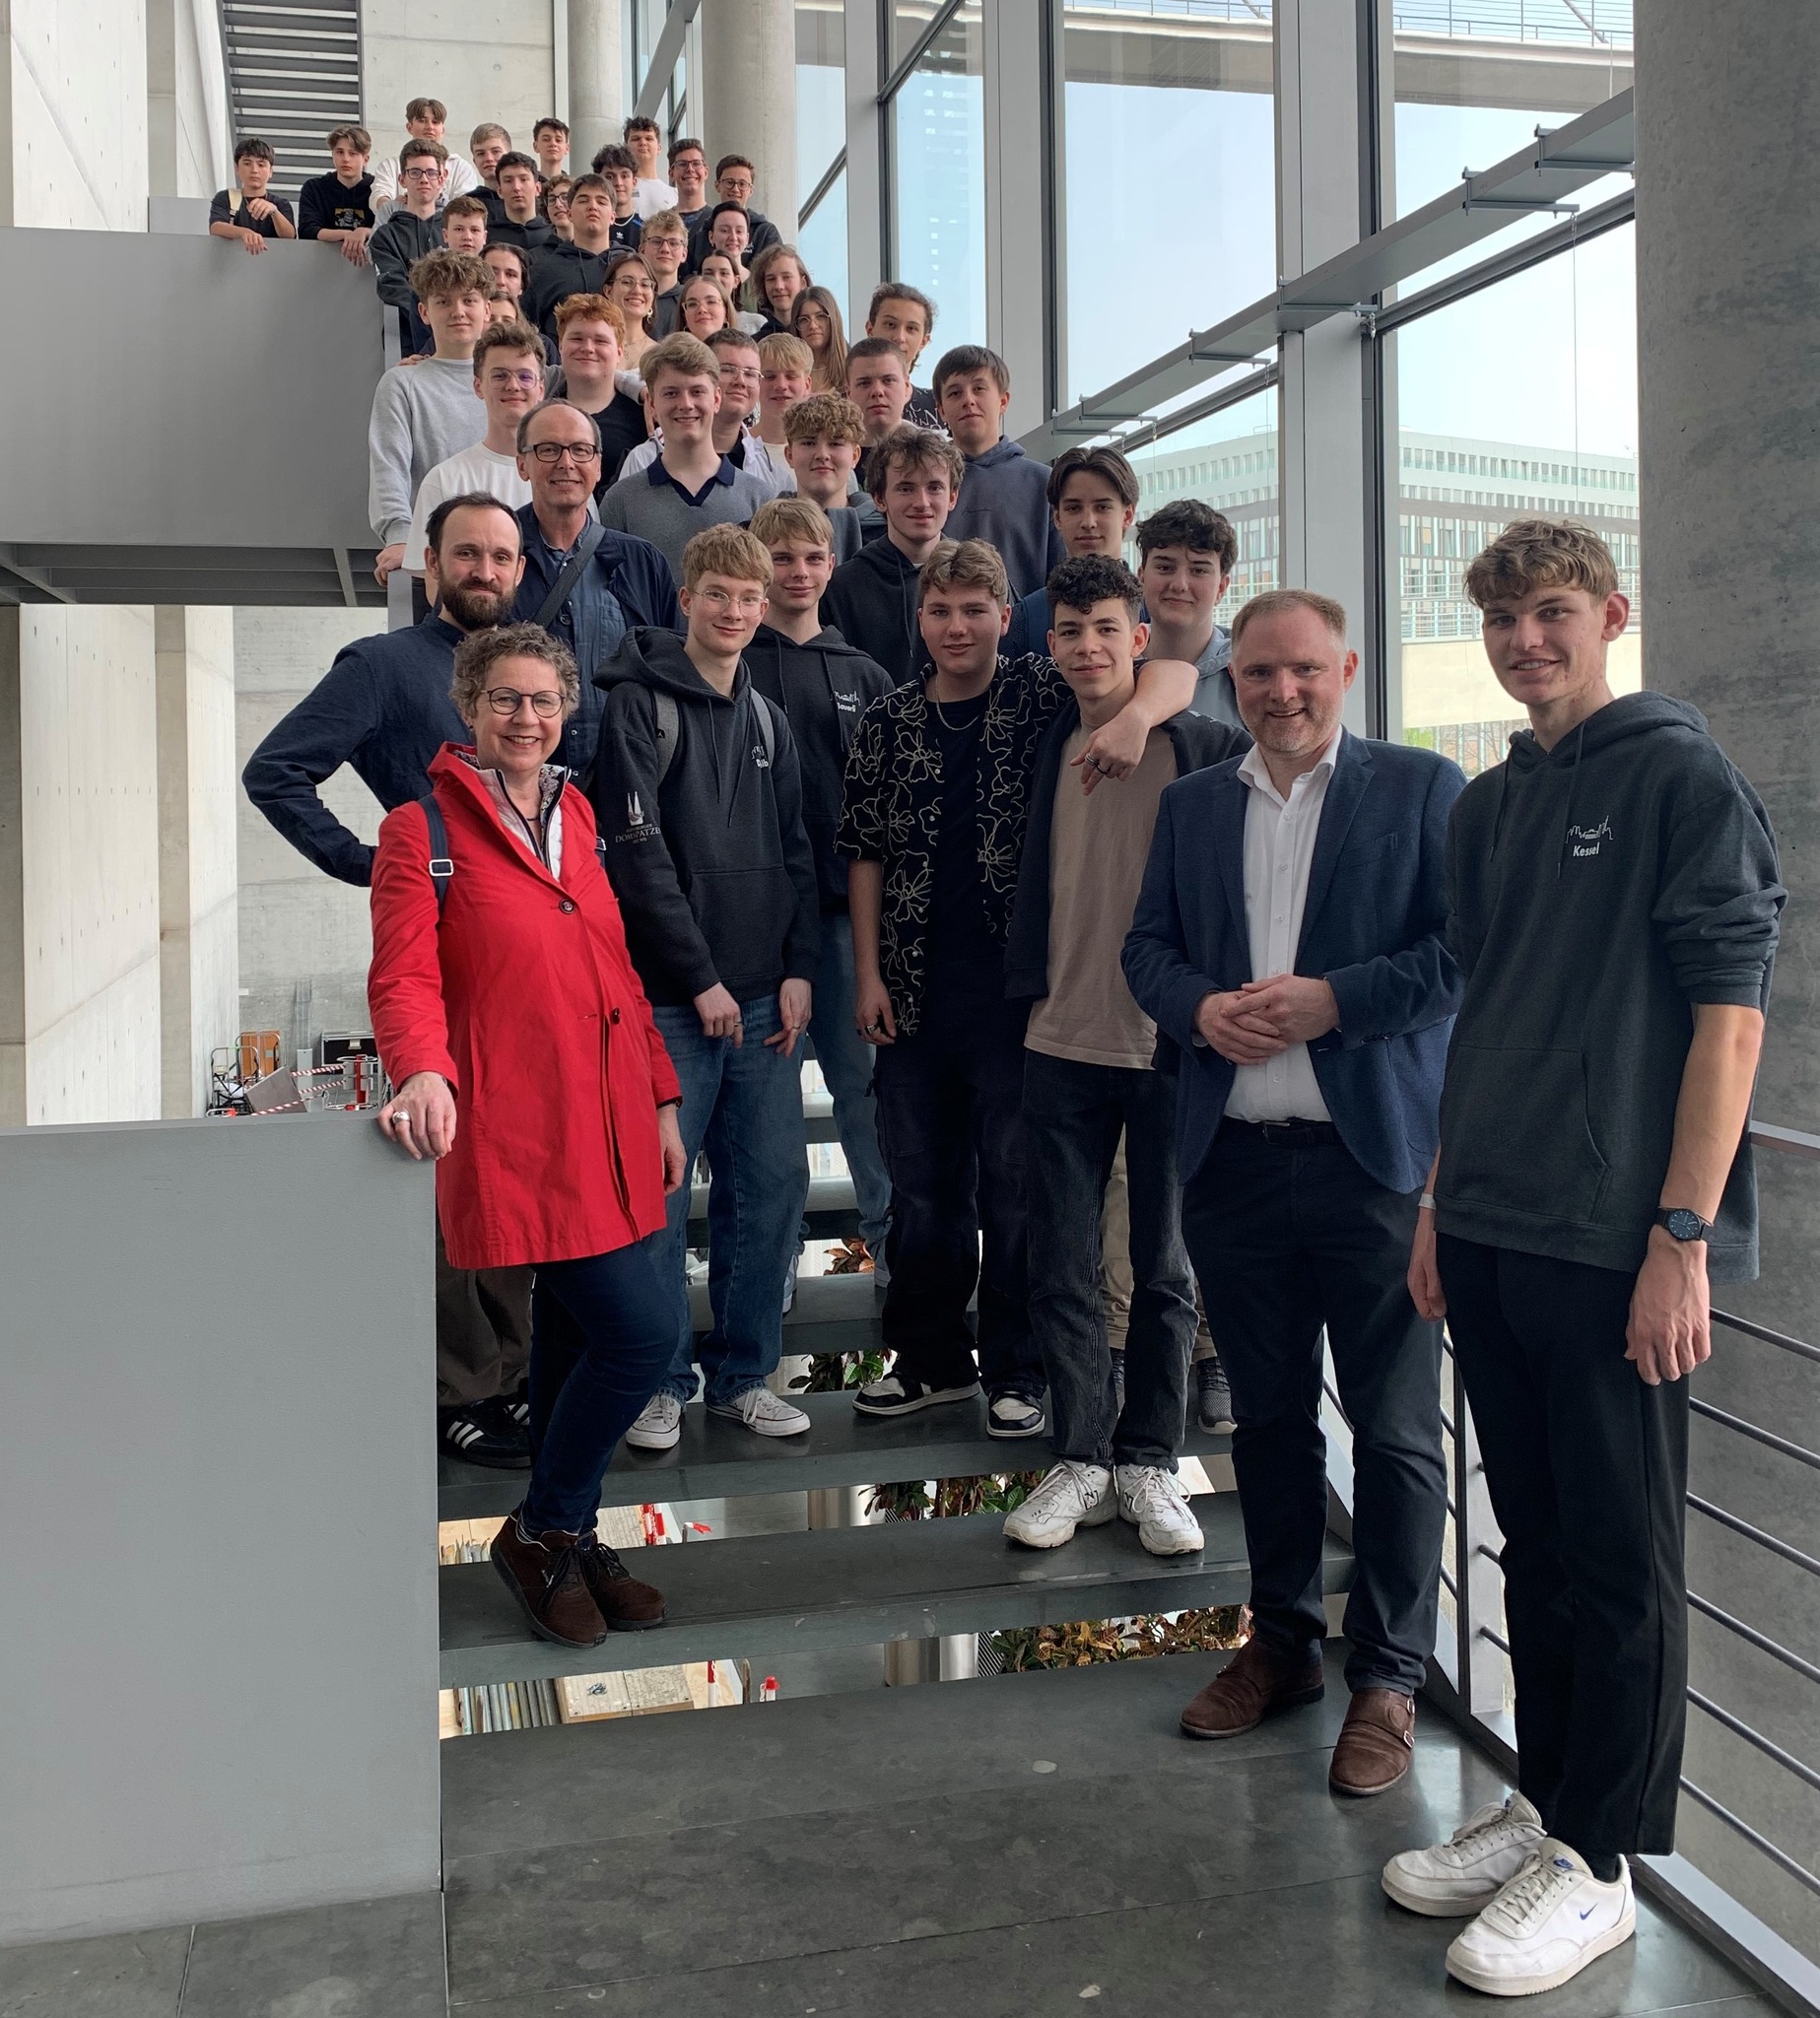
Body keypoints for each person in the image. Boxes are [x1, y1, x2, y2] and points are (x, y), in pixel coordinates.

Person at [1384, 521, 1783, 1996]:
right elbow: (1475, 1017)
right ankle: (1549, 1805)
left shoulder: (1679, 778)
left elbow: (1726, 1022)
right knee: (1534, 1546)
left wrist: (1679, 1238)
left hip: (1613, 1242)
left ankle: (1600, 1863)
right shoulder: (1488, 808)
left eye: (1549, 612)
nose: (1520, 639)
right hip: (1485, 1223)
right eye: (1497, 615)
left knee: (1618, 1561)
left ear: (1610, 614)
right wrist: (1434, 1200)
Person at [1122, 587, 1463, 1796]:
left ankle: (1386, 1676)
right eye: (1259, 672)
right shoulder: (1190, 806)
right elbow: (1145, 950)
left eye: (1303, 670)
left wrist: (1335, 999)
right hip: (1231, 1167)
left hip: (1372, 1169)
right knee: (1262, 1424)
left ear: (1347, 669)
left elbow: (1457, 954)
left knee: (1391, 1432)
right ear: (1231, 680)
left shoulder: (1420, 790)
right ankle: (1280, 1644)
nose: (1280, 691)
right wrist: (1196, 1008)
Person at [369, 620, 683, 1648]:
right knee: (640, 1333)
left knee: (574, 1334)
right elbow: (404, 970)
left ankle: (572, 1530)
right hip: (517, 1128)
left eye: (543, 700)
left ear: (566, 711)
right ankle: (541, 1528)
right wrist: (420, 1062)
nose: (525, 717)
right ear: (468, 708)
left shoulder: (579, 812)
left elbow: (617, 967)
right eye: (505, 698)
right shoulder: (423, 829)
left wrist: (663, 1093)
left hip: (610, 1119)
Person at [838, 539, 1196, 1435]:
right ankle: (928, 1362)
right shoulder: (884, 722)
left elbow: (1173, 678)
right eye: (938, 610)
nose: (955, 627)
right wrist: (868, 974)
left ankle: (1017, 1369)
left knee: (1014, 1192)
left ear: (1006, 618)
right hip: (914, 992)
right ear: (918, 620)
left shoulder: (1039, 696)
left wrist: (1131, 722)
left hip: (1017, 997)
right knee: (921, 1191)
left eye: (974, 610)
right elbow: (864, 855)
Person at [247, 497, 538, 1469]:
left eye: (502, 553)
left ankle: (511, 1366)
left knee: (511, 1165)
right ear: (430, 563)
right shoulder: (383, 667)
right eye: (468, 552)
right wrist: (363, 860)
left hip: (526, 947)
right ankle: (462, 1387)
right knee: (454, 1165)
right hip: (440, 944)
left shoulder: (525, 672)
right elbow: (277, 768)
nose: (486, 567)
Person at [998, 554, 1247, 1550]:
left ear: (1139, 639)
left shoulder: (1202, 746)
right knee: (1057, 1259)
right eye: (1068, 630)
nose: (1086, 645)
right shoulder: (1038, 736)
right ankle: (1080, 1453)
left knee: (1162, 1267)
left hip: (1166, 1040)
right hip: (1058, 1031)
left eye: (1107, 627)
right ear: (1049, 643)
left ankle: (1148, 1457)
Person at [591, 524, 821, 1447]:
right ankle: (657, 1382)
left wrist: (801, 966)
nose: (733, 612)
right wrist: (700, 980)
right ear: (684, 600)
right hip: (672, 1007)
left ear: (766, 610)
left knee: (768, 1192)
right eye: (717, 595)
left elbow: (800, 851)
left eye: (749, 598)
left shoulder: (768, 717)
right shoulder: (638, 706)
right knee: (660, 1196)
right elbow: (639, 861)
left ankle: (741, 1374)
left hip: (768, 1000)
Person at [748, 498, 898, 1273]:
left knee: (862, 1094)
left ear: (830, 566)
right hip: (756, 928)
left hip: (846, 924)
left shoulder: (865, 675)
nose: (796, 572)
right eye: (780, 558)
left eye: (810, 557)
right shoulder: (729, 665)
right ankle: (765, 1272)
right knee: (763, 1119)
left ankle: (888, 1249)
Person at [510, 398, 679, 775]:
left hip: (624, 780)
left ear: (598, 464)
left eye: (580, 450)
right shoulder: (498, 560)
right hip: (521, 780)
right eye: (548, 449)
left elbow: (671, 673)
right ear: (522, 463)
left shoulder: (643, 563)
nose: (566, 463)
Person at [596, 333, 775, 580]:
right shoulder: (621, 502)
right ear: (651, 404)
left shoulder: (758, 497)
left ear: (716, 399)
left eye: (697, 391)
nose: (686, 404)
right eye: (671, 393)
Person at [368, 250, 494, 584]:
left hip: (504, 555)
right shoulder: (401, 383)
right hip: (432, 558)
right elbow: (388, 467)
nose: (458, 312)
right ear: (424, 311)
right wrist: (400, 537)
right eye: (443, 302)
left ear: (487, 309)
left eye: (469, 300)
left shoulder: (515, 382)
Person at [404, 321, 542, 582]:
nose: (513, 385)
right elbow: (435, 587)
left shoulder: (563, 478)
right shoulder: (444, 480)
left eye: (525, 376)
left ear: (541, 389)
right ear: (478, 386)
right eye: (499, 375)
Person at [820, 424, 958, 682]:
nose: (922, 502)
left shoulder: (978, 580)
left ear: (953, 497)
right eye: (906, 488)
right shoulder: (842, 590)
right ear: (879, 498)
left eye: (935, 488)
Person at [935, 344, 1062, 602]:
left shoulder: (1044, 483)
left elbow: (1060, 574)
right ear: (941, 410)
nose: (968, 400)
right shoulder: (930, 484)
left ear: (1003, 400)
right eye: (955, 392)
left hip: (1028, 634)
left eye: (979, 388)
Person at [1003, 446, 1139, 658]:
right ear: (1057, 517)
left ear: (1127, 515)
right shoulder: (1027, 619)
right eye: (1073, 508)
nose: (1088, 522)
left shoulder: (1153, 610)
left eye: (1102, 507)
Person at [1137, 500, 1242, 730]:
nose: (1180, 584)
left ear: (1222, 588)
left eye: (1198, 570)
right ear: (1141, 577)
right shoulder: (1110, 665)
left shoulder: (1249, 672)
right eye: (1165, 567)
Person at [550, 295, 647, 489]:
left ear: (619, 351)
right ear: (560, 345)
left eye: (600, 341)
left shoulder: (644, 417)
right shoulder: (540, 414)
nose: (587, 348)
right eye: (577, 338)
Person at [370, 138, 449, 353]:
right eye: (415, 172)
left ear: (442, 178)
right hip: (407, 343)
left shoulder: (455, 230)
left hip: (456, 338)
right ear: (402, 179)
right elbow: (391, 285)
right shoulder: (386, 236)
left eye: (431, 173)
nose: (424, 179)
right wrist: (431, 313)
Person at [781, 393, 868, 563]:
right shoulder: (761, 533)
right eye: (808, 443)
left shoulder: (886, 534)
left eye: (835, 444)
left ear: (855, 456)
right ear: (789, 455)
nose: (822, 455)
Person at [526, 172, 617, 334]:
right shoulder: (544, 270)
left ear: (613, 217)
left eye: (601, 201)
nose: (592, 206)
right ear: (569, 214)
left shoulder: (629, 266)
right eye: (583, 200)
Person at [371, 98, 479, 217]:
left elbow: (466, 208)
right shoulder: (390, 165)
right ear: (409, 127)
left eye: (435, 122)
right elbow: (378, 197)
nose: (429, 127)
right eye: (422, 121)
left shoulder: (461, 167)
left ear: (442, 130)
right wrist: (394, 207)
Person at [864, 284, 942, 424]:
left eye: (911, 328)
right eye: (890, 325)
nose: (899, 337)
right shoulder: (841, 409)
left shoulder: (939, 408)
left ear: (924, 341)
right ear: (870, 329)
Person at [298, 124, 375, 260]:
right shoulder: (314, 188)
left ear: (365, 159)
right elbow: (307, 230)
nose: (345, 159)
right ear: (332, 155)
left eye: (353, 153)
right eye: (340, 152)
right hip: (322, 263)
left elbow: (390, 229)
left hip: (367, 267)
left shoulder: (376, 188)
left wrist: (364, 232)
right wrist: (347, 235)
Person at [208, 138, 296, 254]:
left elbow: (290, 236)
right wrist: (243, 232)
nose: (254, 170)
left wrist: (274, 211)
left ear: (270, 171)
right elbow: (215, 227)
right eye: (247, 163)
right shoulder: (225, 197)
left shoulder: (281, 204)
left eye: (261, 164)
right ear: (237, 169)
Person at [755, 332, 814, 449]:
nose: (781, 385)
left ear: (807, 385)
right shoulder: (737, 447)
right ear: (755, 382)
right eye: (770, 377)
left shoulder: (822, 451)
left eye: (791, 376)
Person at [488, 151, 555, 253]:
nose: (516, 187)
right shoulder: (488, 237)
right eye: (508, 181)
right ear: (499, 191)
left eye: (523, 179)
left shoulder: (554, 235)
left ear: (537, 188)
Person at [639, 209, 691, 334]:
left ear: (684, 254)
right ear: (642, 250)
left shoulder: (691, 300)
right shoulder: (630, 297)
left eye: (674, 243)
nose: (665, 249)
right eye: (656, 241)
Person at [790, 286, 847, 395]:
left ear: (833, 321)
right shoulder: (787, 376)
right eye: (804, 319)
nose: (813, 325)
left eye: (821, 316)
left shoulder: (851, 371)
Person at [621, 114, 678, 217]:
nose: (642, 143)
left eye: (649, 138)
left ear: (659, 148)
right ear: (625, 148)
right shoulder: (619, 188)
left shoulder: (675, 195)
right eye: (636, 139)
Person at [748, 244, 810, 335]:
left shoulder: (817, 336)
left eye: (786, 277)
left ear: (803, 282)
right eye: (771, 279)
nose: (778, 286)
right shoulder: (757, 345)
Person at [592, 144, 644, 252]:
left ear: (634, 182)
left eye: (624, 176)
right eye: (610, 177)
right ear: (598, 181)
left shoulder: (646, 230)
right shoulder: (591, 225)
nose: (618, 183)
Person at [667, 137, 709, 234]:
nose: (690, 169)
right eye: (682, 164)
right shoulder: (660, 223)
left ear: (706, 172)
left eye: (696, 163)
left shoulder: (717, 221)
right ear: (671, 174)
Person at [677, 271, 734, 343]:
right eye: (692, 304)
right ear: (684, 317)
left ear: (726, 312)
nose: (701, 309)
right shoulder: (670, 354)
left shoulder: (744, 352)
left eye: (711, 302)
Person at [468, 123, 511, 217]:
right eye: (480, 154)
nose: (489, 158)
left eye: (495, 151)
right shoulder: (466, 206)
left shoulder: (527, 201)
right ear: (474, 161)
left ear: (509, 155)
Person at [532, 116, 569, 180]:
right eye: (546, 139)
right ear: (535, 146)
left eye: (558, 140)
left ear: (567, 148)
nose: (553, 144)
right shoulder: (530, 185)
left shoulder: (574, 187)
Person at [542, 173, 574, 241]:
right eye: (552, 199)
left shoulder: (596, 248)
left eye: (565, 197)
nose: (558, 204)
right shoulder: (537, 252)